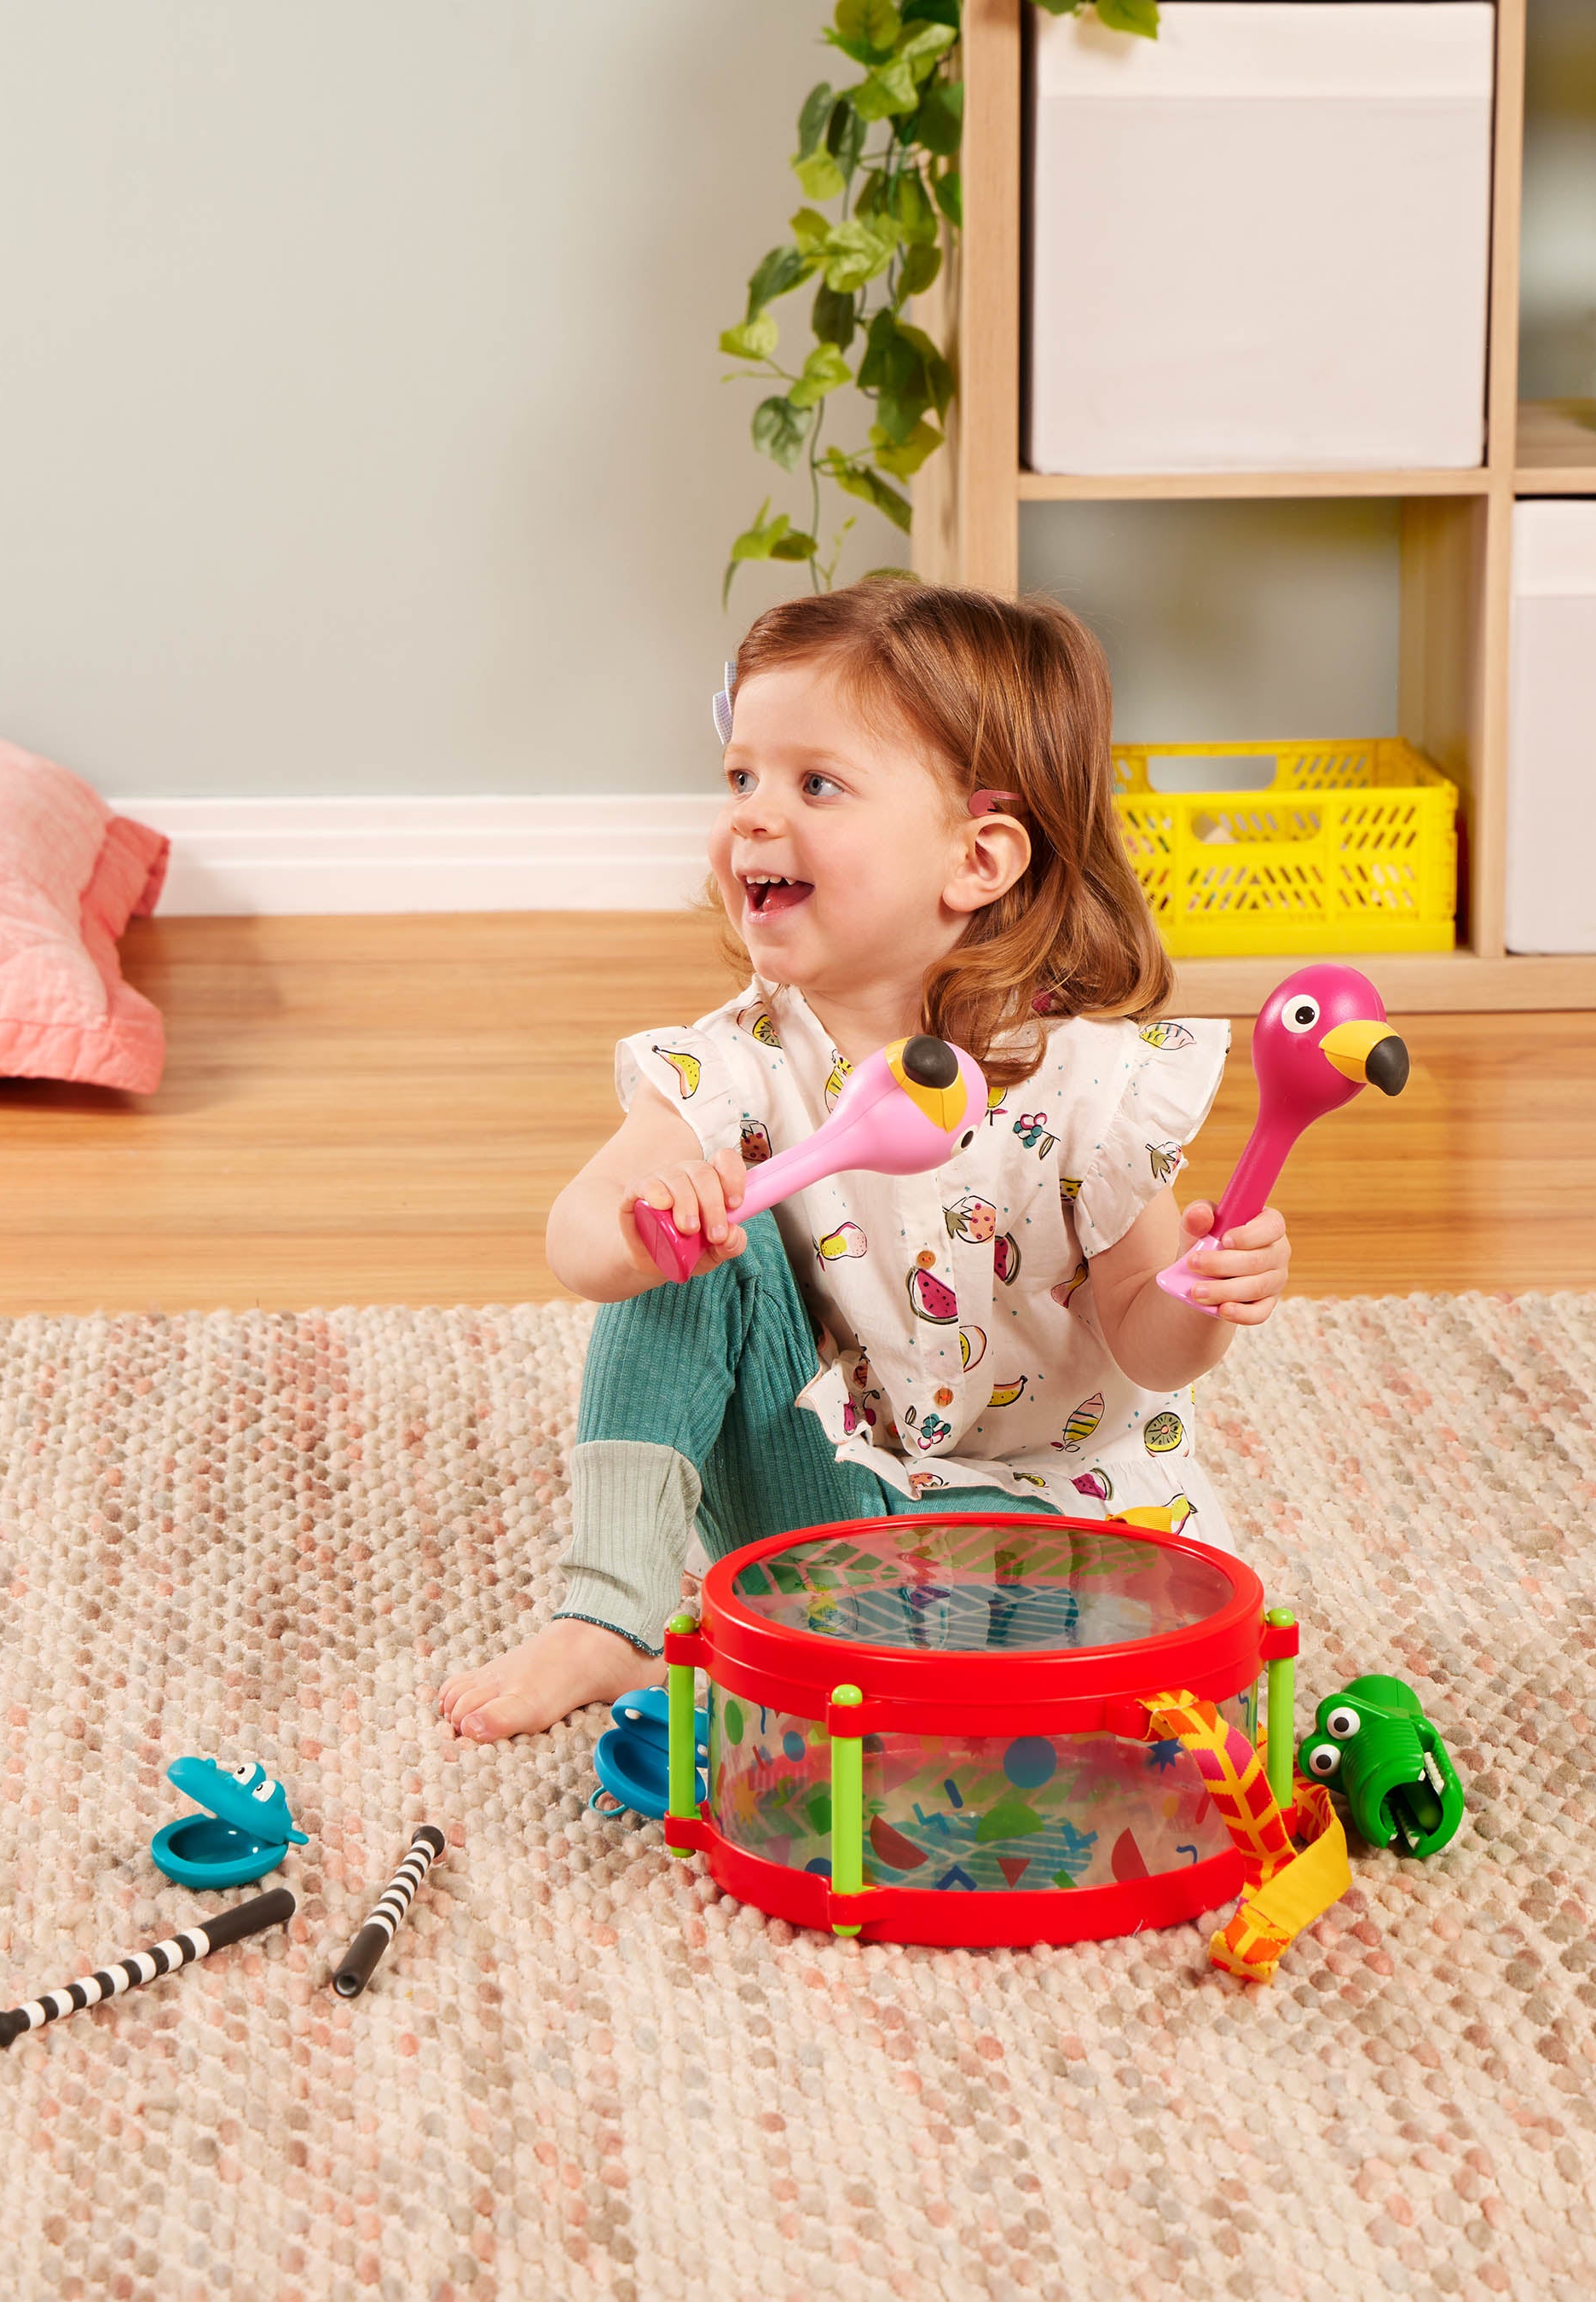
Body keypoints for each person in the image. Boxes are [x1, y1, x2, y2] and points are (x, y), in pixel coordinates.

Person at [440, 581, 1289, 1743]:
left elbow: (1150, 1339)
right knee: (698, 1257)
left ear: (978, 859)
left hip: (1038, 1522)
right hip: (821, 1501)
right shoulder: (732, 1067)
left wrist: (1203, 1296)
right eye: (741, 775)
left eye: (815, 784)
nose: (751, 814)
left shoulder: (1091, 1089)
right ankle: (613, 1613)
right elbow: (576, 1238)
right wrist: (646, 1225)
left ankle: (866, 1670)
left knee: (1112, 1679)